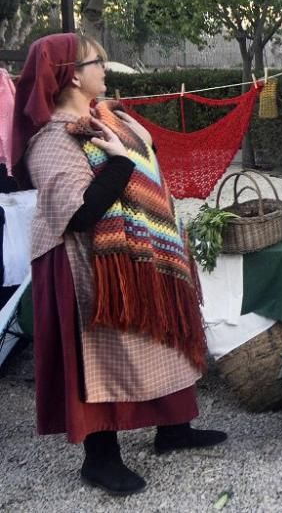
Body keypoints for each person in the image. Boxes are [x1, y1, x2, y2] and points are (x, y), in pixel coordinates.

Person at [10, 33, 226, 497]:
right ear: (70, 74)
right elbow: (81, 212)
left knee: (158, 335)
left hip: (139, 252)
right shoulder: (52, 141)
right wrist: (122, 161)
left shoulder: (103, 118)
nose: (104, 70)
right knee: (102, 354)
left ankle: (173, 428)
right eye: (97, 62)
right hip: (87, 264)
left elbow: (145, 160)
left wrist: (129, 144)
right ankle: (100, 458)